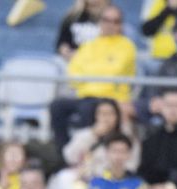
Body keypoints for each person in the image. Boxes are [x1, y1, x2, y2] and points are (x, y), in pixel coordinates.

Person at [51, 6, 137, 139]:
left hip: (112, 97)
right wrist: (96, 73)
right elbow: (74, 70)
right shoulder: (89, 45)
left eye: (115, 21)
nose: (110, 25)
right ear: (100, 22)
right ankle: (65, 149)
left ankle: (89, 148)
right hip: (86, 95)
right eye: (106, 20)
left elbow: (114, 71)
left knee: (88, 108)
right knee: (57, 106)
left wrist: (90, 73)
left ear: (120, 25)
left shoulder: (127, 46)